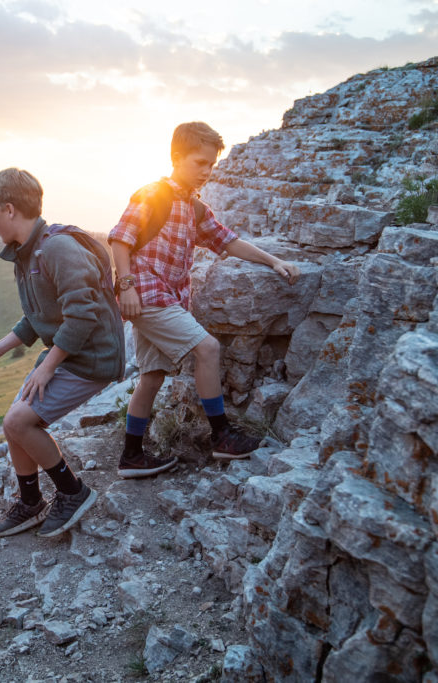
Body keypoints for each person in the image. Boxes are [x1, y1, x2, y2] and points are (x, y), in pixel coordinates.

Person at [108, 121, 300, 476]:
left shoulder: (195, 208)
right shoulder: (152, 194)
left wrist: (275, 261)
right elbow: (120, 239)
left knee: (151, 376)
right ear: (177, 157)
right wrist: (127, 285)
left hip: (166, 298)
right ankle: (221, 435)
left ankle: (131, 456)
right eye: (199, 162)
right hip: (148, 295)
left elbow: (227, 241)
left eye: (211, 164)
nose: (206, 171)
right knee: (208, 349)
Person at [0, 168, 125, 539]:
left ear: (9, 209)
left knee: (20, 422)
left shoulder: (57, 248)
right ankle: (31, 503)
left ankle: (73, 493)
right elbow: (37, 316)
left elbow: (82, 317)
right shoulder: (28, 253)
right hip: (70, 354)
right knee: (14, 420)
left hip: (92, 358)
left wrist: (47, 367)